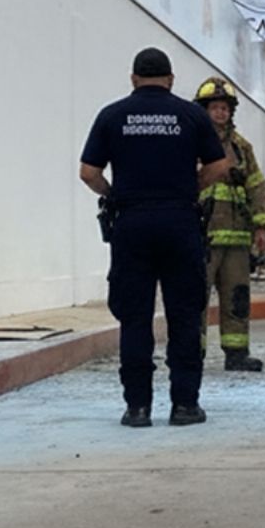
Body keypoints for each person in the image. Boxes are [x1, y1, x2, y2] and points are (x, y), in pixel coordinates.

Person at [79, 48, 229, 427]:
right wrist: (191, 188)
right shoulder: (191, 114)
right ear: (171, 79)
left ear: (133, 79)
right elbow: (219, 165)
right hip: (180, 222)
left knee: (134, 318)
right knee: (183, 316)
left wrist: (113, 194)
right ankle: (184, 406)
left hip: (131, 225)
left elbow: (87, 172)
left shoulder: (112, 115)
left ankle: (138, 408)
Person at [194, 76, 265, 372]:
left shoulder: (242, 148)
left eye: (225, 108)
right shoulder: (191, 144)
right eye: (214, 107)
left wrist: (261, 227)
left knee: (237, 297)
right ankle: (192, 354)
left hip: (237, 238)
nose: (220, 113)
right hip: (203, 237)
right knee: (195, 299)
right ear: (203, 111)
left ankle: (237, 354)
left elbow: (257, 187)